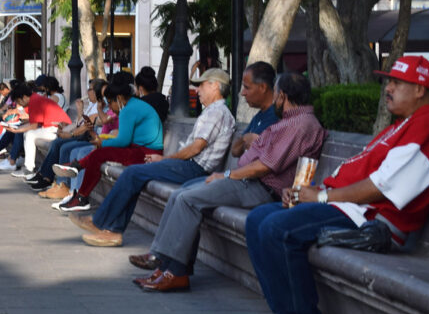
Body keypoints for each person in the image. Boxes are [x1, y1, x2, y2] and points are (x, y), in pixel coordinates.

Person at [246, 56, 429, 314]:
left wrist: (319, 197)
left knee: (279, 228)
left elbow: (378, 188)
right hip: (347, 207)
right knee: (257, 220)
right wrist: (312, 191)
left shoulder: (428, 129)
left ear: (420, 89)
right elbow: (359, 176)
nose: (388, 88)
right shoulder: (403, 125)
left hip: (372, 220)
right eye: (388, 82)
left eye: (396, 83)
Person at [130, 72, 326, 293]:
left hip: (259, 187)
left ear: (282, 96)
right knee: (180, 194)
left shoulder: (300, 124)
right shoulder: (291, 122)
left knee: (188, 199)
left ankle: (176, 272)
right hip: (249, 181)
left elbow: (266, 166)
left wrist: (226, 175)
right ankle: (164, 263)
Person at [75, 68, 235, 248]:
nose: (197, 90)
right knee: (135, 175)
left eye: (201, 86)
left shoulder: (217, 113)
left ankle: (102, 223)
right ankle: (112, 230)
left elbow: (195, 149)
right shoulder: (212, 112)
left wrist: (165, 160)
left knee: (133, 173)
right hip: (188, 165)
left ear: (215, 86)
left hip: (194, 168)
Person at [54, 80, 164, 212]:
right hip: (143, 150)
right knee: (99, 154)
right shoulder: (135, 105)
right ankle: (78, 175)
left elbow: (123, 141)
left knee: (99, 154)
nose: (110, 107)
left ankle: (81, 192)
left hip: (147, 155)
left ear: (119, 98)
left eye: (110, 102)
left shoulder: (128, 110)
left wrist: (102, 143)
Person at [26, 79, 106, 193]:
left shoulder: (100, 106)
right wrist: (78, 114)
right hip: (83, 134)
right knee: (57, 142)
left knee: (64, 147)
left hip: (90, 137)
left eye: (90, 89)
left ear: (96, 92)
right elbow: (79, 123)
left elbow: (86, 126)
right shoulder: (92, 105)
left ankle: (62, 184)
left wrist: (70, 134)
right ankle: (46, 176)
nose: (87, 92)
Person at [4, 84, 72, 178]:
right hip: (53, 128)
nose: (19, 104)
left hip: (59, 129)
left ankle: (29, 169)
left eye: (19, 101)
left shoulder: (34, 101)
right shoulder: (35, 99)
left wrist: (16, 131)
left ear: (24, 97)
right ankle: (35, 166)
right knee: (28, 134)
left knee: (30, 134)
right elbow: (34, 123)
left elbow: (33, 126)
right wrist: (18, 129)